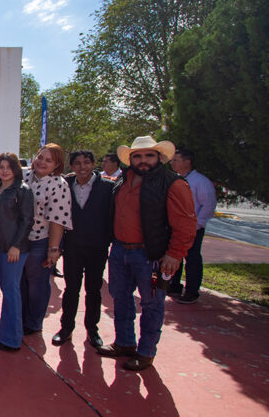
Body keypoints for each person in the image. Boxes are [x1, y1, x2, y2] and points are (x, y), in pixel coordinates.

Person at [97, 136, 196, 371]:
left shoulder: (173, 184)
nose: (143, 160)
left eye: (148, 155)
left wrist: (174, 254)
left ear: (159, 158)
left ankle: (146, 351)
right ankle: (125, 343)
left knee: (152, 303)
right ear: (130, 159)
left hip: (152, 256)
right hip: (121, 250)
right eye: (137, 156)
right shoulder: (123, 179)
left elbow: (185, 224)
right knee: (120, 297)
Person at [52, 150, 114, 348]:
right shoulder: (66, 185)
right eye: (77, 163)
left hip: (97, 247)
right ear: (72, 166)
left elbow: (112, 217)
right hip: (73, 247)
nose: (82, 167)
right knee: (71, 290)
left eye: (86, 162)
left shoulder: (108, 188)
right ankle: (66, 328)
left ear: (94, 163)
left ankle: (92, 330)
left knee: (93, 290)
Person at [0, 153, 34, 351]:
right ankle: (6, 334)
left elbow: (27, 220)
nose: (4, 170)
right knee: (6, 287)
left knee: (11, 289)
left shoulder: (22, 190)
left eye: (8, 166)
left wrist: (17, 245)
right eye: (1, 166)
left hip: (13, 244)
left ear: (16, 168)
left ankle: (12, 339)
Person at [21, 143, 73, 335]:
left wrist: (53, 249)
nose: (42, 162)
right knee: (20, 282)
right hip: (18, 241)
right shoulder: (24, 175)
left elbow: (57, 220)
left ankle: (34, 322)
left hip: (39, 241)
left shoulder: (58, 185)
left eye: (48, 160)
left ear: (56, 165)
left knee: (37, 284)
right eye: (40, 157)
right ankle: (21, 317)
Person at [168, 148, 216, 304]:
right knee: (174, 257)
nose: (172, 163)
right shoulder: (174, 179)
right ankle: (174, 285)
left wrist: (198, 224)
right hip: (174, 227)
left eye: (176, 160)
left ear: (187, 162)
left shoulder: (200, 181)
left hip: (192, 228)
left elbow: (208, 204)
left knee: (192, 259)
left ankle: (191, 291)